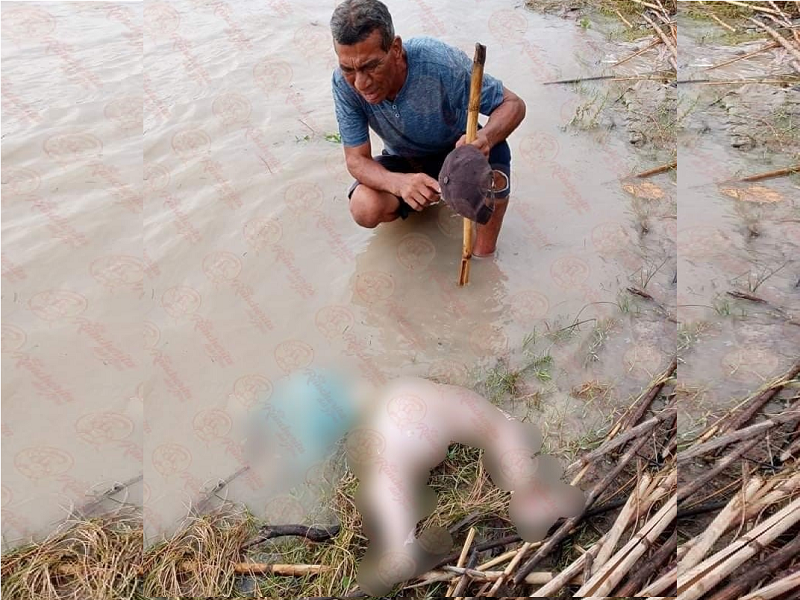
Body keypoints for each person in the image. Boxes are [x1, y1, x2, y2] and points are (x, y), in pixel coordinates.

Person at [330, 0, 526, 257]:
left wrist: (484, 138)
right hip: (405, 161)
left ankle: (483, 254)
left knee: (495, 173)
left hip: (457, 152)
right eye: (348, 69)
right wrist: (400, 184)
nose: (361, 83)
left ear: (396, 49)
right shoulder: (345, 86)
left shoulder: (438, 63)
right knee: (364, 206)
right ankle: (420, 205)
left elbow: (513, 104)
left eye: (371, 66)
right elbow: (356, 160)